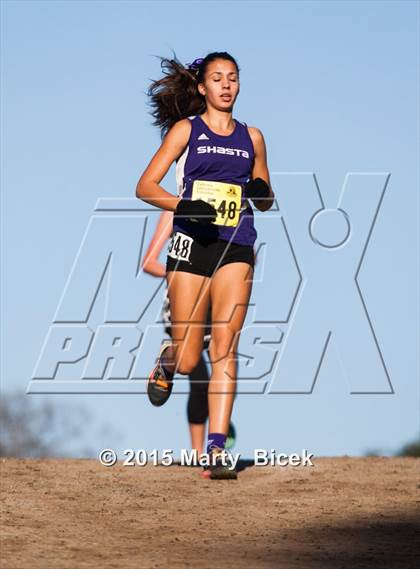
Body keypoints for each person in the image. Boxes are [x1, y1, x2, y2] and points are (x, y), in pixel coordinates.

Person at [136, 51, 274, 479]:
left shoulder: (252, 138)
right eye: (217, 78)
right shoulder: (186, 131)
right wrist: (184, 207)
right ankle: (168, 360)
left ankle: (216, 450)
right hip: (192, 244)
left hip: (236, 242)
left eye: (233, 77)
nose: (226, 85)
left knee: (226, 348)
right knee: (192, 358)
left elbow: (268, 200)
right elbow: (144, 185)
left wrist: (258, 188)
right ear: (203, 87)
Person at [141, 209, 237, 456]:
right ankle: (196, 453)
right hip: (183, 299)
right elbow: (149, 262)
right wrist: (186, 274)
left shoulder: (231, 203)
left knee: (224, 365)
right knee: (194, 374)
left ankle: (215, 440)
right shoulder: (174, 210)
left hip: (215, 303)